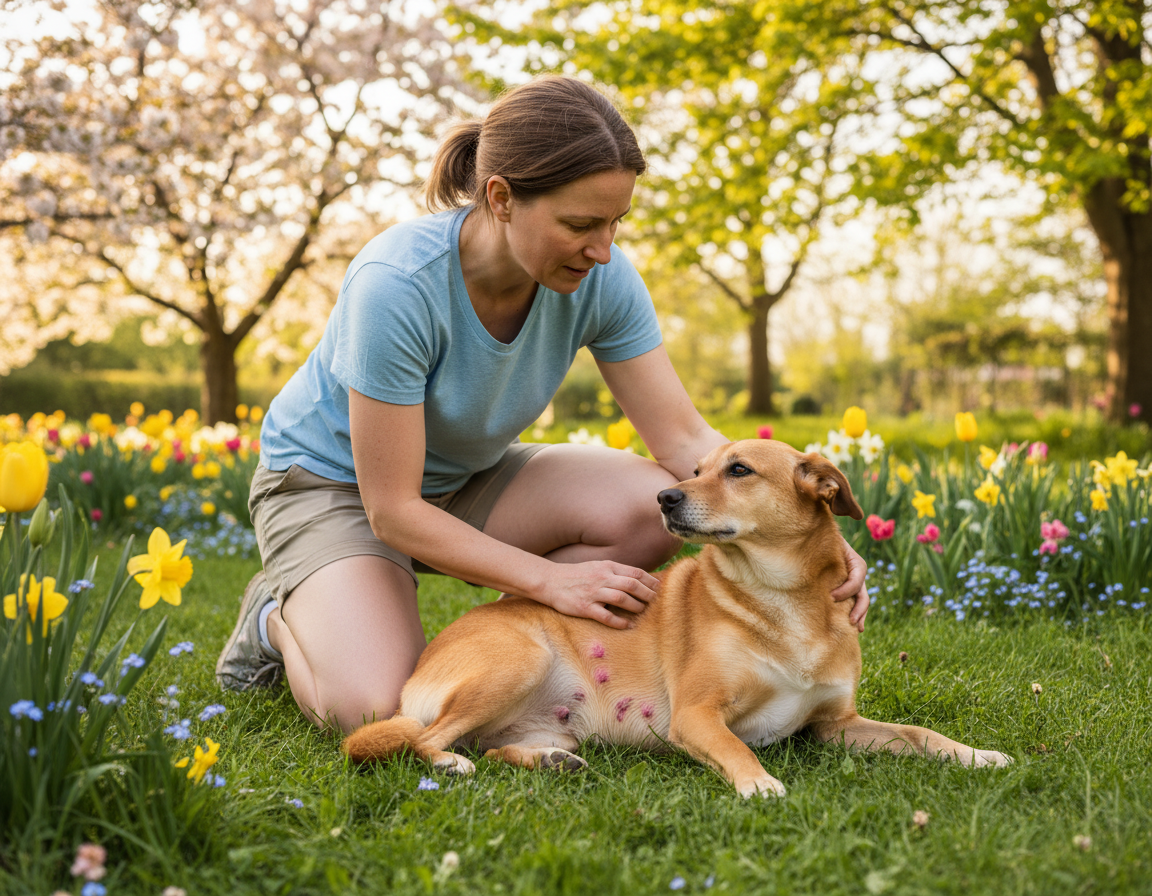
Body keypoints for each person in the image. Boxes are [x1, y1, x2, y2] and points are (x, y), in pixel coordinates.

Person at [216, 75, 869, 733]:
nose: (603, 249)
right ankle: (275, 617)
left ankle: (513, 653)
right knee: (370, 706)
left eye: (616, 223)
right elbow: (393, 510)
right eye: (581, 224)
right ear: (501, 198)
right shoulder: (396, 286)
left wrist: (813, 536)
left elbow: (680, 438)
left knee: (648, 506)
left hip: (466, 478)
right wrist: (549, 582)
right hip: (335, 490)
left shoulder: (599, 277)